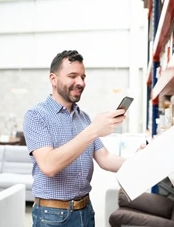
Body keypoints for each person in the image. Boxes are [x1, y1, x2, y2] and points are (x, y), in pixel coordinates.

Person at [23, 50, 127, 227]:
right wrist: (93, 130)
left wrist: (142, 161)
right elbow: (49, 165)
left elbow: (106, 159)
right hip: (53, 216)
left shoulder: (84, 118)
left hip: (85, 210)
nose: (80, 82)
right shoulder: (36, 116)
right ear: (53, 79)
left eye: (83, 77)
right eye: (73, 76)